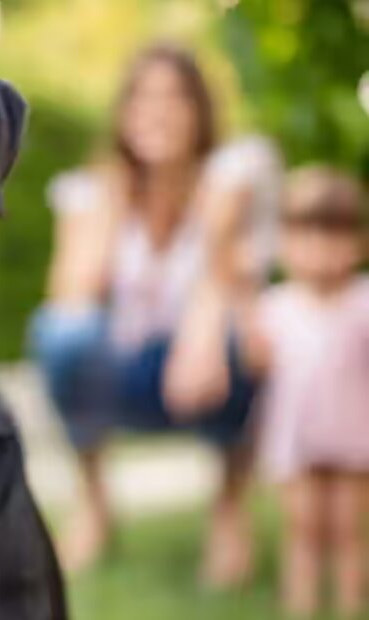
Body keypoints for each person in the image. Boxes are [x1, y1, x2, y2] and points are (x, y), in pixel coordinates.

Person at [30, 43, 282, 586]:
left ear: (200, 110)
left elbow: (226, 262)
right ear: (123, 114)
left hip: (215, 371)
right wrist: (112, 207)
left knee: (248, 338)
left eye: (174, 97)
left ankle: (229, 509)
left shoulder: (235, 170)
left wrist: (202, 328)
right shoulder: (89, 192)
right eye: (142, 99)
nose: (157, 111)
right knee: (59, 335)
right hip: (129, 370)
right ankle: (95, 503)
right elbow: (68, 303)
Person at [241, 168, 367, 617]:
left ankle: (352, 604)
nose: (320, 252)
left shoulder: (362, 301)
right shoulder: (275, 305)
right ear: (284, 244)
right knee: (303, 531)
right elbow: (258, 366)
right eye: (305, 237)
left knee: (348, 531)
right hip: (295, 439)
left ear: (357, 243)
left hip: (355, 439)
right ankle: (302, 606)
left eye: (333, 237)